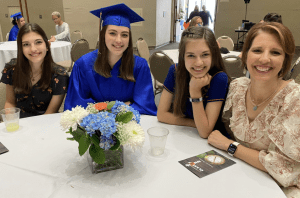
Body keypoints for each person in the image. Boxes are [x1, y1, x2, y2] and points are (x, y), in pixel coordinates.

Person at [207, 22, 300, 197]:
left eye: (275, 52)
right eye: (257, 50)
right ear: (246, 54)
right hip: (242, 176)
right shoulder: (238, 88)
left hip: (282, 188)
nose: (264, 59)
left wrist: (230, 146)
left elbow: (286, 168)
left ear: (285, 60)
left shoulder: (294, 100)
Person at [64, 3, 157, 116]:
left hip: (129, 125)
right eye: (112, 33)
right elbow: (76, 106)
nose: (119, 40)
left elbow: (145, 106)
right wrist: (123, 106)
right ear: (103, 35)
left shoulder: (139, 66)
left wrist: (99, 107)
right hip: (94, 126)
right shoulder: (83, 65)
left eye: (124, 35)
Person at [157, 26, 231, 138]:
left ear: (213, 54)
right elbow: (161, 115)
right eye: (191, 55)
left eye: (205, 54)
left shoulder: (219, 78)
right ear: (182, 56)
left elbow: (205, 132)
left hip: (210, 142)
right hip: (184, 136)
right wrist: (196, 124)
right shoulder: (175, 71)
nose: (198, 63)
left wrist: (195, 91)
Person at [1, 23, 69, 118]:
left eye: (38, 42)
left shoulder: (59, 75)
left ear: (47, 45)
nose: (33, 49)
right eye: (26, 44)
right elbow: (10, 102)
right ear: (21, 49)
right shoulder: (12, 69)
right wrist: (11, 122)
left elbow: (49, 114)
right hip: (20, 123)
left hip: (46, 123)